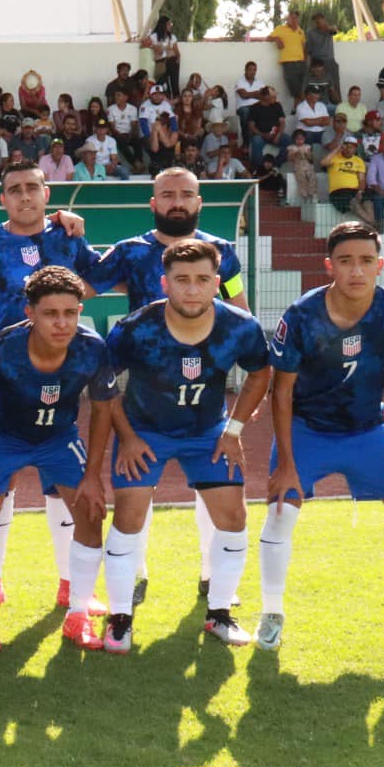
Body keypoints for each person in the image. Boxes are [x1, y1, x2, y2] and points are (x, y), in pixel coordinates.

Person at [259, 221, 384, 648]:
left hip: (368, 430)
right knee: (281, 512)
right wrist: (285, 464)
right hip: (307, 429)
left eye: (366, 261)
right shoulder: (302, 314)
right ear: (329, 266)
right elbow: (279, 392)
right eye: (346, 261)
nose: (356, 270)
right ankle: (271, 613)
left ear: (380, 265)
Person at [103, 239, 271, 650]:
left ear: (217, 283)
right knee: (127, 518)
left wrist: (233, 430)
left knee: (233, 518)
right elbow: (102, 383)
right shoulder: (135, 328)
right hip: (145, 432)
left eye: (201, 280)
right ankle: (120, 618)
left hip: (207, 432)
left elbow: (260, 374)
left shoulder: (240, 326)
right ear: (165, 284)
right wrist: (125, 437)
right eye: (181, 280)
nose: (191, 289)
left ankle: (219, 615)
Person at [0, 266, 115, 653]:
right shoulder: (3, 347)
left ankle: (78, 614)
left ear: (80, 309)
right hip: (4, 436)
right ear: (30, 313)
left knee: (92, 511)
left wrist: (93, 474)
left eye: (70, 313)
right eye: (50, 314)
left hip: (57, 437)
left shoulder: (93, 347)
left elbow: (103, 410)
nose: (62, 323)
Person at [267, 9, 307, 104]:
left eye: (296, 18)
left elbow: (304, 47)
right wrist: (276, 38)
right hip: (289, 63)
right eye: (292, 17)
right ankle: (308, 107)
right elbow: (268, 38)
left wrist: (305, 61)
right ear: (288, 19)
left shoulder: (300, 31)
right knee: (295, 89)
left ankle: (295, 110)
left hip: (301, 63)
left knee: (301, 88)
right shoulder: (280, 29)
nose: (294, 19)